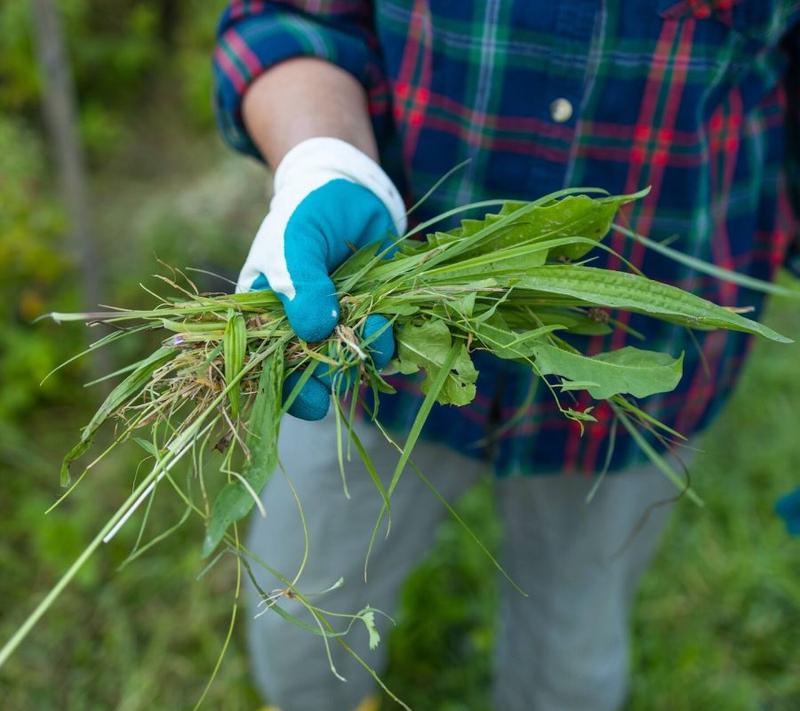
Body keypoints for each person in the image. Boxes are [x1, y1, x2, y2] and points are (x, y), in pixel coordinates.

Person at [213, 2, 800, 709]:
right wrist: (324, 161)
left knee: (570, 661)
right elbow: (288, 18)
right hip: (372, 337)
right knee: (301, 617)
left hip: (629, 360)